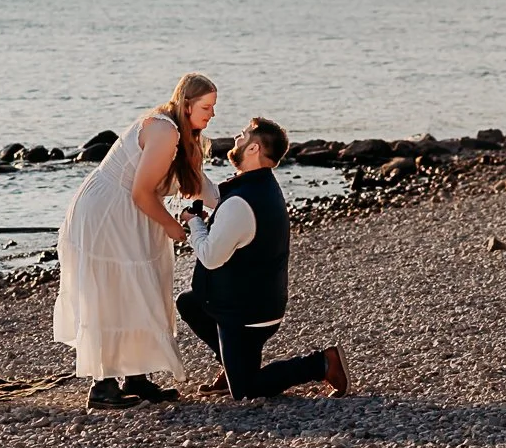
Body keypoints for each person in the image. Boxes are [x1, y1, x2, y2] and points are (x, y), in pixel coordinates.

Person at [54, 73, 220, 410]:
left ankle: (136, 376)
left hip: (132, 213)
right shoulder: (164, 130)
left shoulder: (183, 136)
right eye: (206, 107)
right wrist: (173, 227)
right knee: (113, 291)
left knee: (143, 288)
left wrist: (242, 200)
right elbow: (142, 192)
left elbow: (200, 185)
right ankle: (102, 387)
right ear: (187, 105)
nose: (212, 114)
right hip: (109, 212)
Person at [176, 117, 350, 400]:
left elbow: (209, 257)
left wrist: (195, 223)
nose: (236, 137)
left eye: (242, 135)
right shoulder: (262, 187)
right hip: (260, 304)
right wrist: (188, 163)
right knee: (189, 302)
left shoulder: (240, 202)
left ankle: (322, 363)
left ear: (254, 148)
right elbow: (214, 197)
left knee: (246, 390)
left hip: (245, 315)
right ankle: (233, 365)